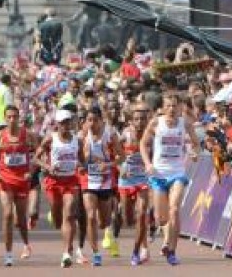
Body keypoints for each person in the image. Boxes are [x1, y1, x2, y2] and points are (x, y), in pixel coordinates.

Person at [141, 92, 199, 266]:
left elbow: (196, 143)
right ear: (162, 107)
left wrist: (195, 152)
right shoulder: (155, 123)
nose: (172, 109)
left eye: (175, 105)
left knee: (174, 210)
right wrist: (148, 163)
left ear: (180, 106)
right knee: (161, 218)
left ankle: (172, 250)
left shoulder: (185, 123)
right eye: (168, 105)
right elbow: (143, 144)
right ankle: (166, 237)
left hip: (177, 172)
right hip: (158, 174)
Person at [37, 109, 84, 268]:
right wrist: (48, 167)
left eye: (67, 121)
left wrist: (82, 166)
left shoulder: (77, 140)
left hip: (70, 180)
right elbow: (35, 158)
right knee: (58, 219)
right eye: (62, 122)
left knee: (69, 212)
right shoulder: (50, 138)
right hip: (53, 182)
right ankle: (55, 215)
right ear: (57, 124)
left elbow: (82, 161)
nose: (65, 125)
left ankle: (66, 253)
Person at [0, 104, 34, 266]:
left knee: (21, 218)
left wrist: (31, 169)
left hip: (22, 180)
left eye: (15, 117)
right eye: (9, 117)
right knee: (8, 214)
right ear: (5, 118)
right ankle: (8, 254)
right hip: (5, 179)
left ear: (19, 118)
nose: (12, 120)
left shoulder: (27, 134)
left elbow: (39, 152)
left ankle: (25, 244)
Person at [79, 106, 121, 266]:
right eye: (89, 120)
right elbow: (76, 155)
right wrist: (80, 164)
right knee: (90, 216)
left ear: (100, 121)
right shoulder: (83, 134)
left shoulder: (110, 134)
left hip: (105, 181)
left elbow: (121, 157)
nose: (92, 124)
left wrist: (108, 165)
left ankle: (106, 232)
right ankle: (96, 253)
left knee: (103, 222)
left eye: (95, 120)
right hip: (88, 180)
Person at [117, 104, 152, 266]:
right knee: (128, 220)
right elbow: (113, 152)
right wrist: (120, 167)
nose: (139, 122)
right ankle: (119, 212)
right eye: (136, 119)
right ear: (131, 121)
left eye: (142, 119)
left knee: (141, 213)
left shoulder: (151, 136)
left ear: (147, 120)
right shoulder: (125, 135)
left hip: (143, 180)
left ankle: (136, 252)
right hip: (126, 180)